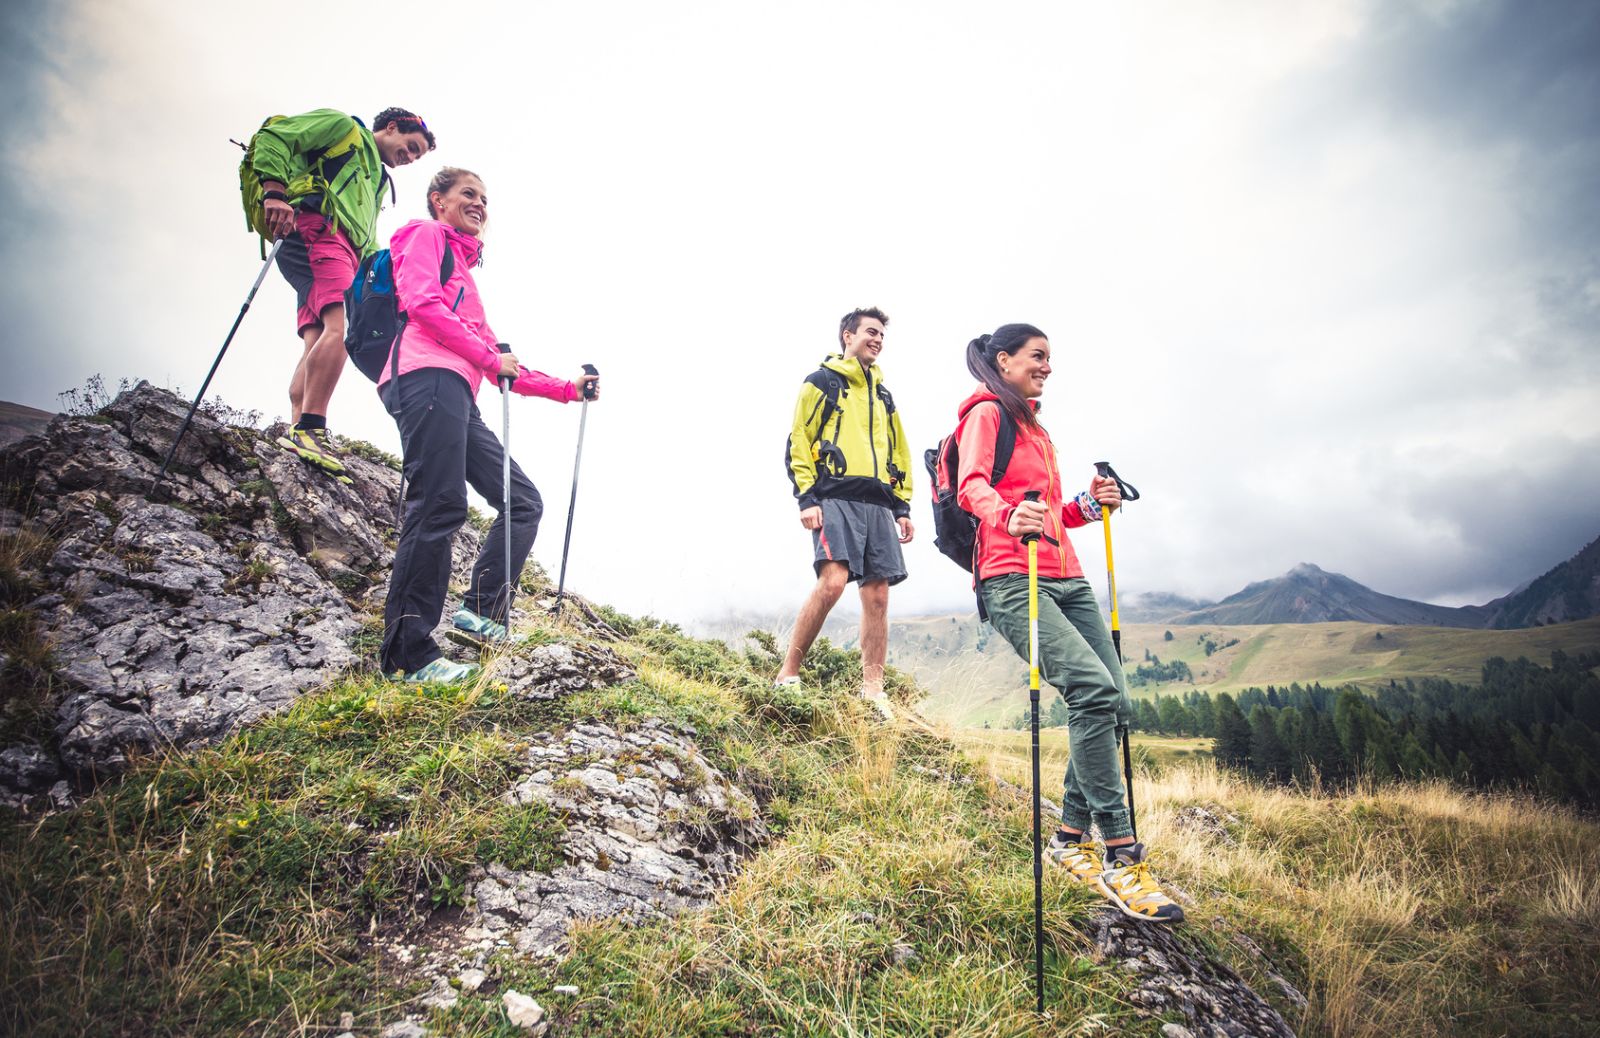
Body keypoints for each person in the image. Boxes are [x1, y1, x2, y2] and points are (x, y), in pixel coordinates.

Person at [956, 323, 1183, 923]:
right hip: (1011, 576)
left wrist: (1085, 504)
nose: (1047, 366)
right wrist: (1009, 517)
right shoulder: (986, 414)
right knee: (1091, 689)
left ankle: (1067, 840)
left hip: (1068, 575)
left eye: (1050, 358)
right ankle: (1119, 852)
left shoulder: (1035, 427)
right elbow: (970, 487)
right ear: (1003, 361)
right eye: (1037, 356)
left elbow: (1048, 513)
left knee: (1117, 702)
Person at [378, 167, 599, 683]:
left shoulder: (464, 275)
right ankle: (406, 655)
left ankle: (481, 613)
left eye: (484, 198)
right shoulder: (425, 235)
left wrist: (567, 388)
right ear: (439, 201)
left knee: (522, 500)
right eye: (467, 194)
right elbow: (420, 302)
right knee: (438, 503)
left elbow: (502, 366)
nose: (479, 204)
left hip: (455, 389)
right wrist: (484, 354)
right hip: (425, 377)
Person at [245, 106, 436, 475]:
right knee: (339, 329)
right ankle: (311, 429)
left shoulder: (376, 177)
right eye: (411, 146)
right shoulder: (343, 128)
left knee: (316, 335)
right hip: (320, 233)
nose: (410, 158)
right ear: (392, 127)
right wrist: (274, 191)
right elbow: (276, 137)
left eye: (416, 155)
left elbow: (365, 238)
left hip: (340, 250)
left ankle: (297, 426)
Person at [775, 307, 913, 720]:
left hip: (878, 503)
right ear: (847, 335)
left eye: (882, 335)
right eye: (871, 332)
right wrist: (806, 497)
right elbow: (799, 439)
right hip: (833, 496)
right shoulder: (821, 382)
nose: (878, 340)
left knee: (878, 595)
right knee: (832, 582)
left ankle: (873, 692)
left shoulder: (884, 395)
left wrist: (902, 505)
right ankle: (788, 675)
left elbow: (899, 450)